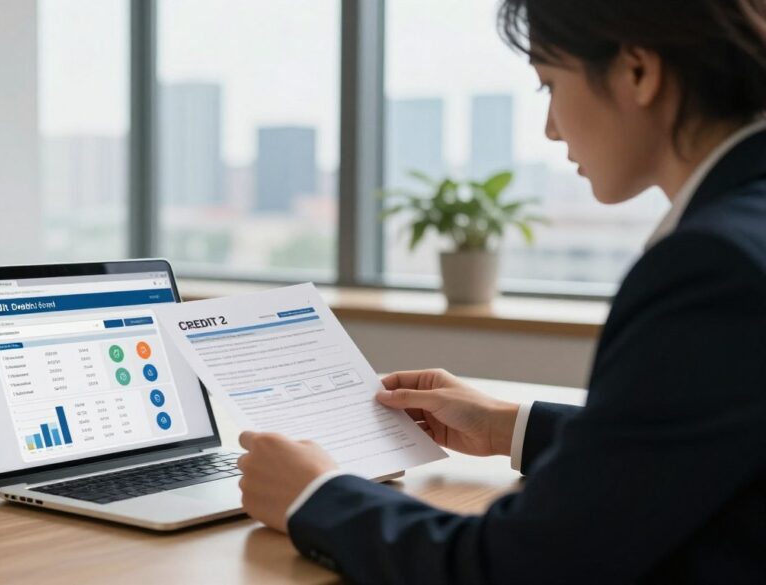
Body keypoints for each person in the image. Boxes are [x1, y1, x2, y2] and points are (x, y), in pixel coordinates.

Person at [235, 0, 766, 582]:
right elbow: (696, 445)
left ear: (638, 71)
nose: (551, 128)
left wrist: (316, 495)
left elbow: (513, 567)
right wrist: (508, 425)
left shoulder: (712, 267)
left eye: (548, 86)